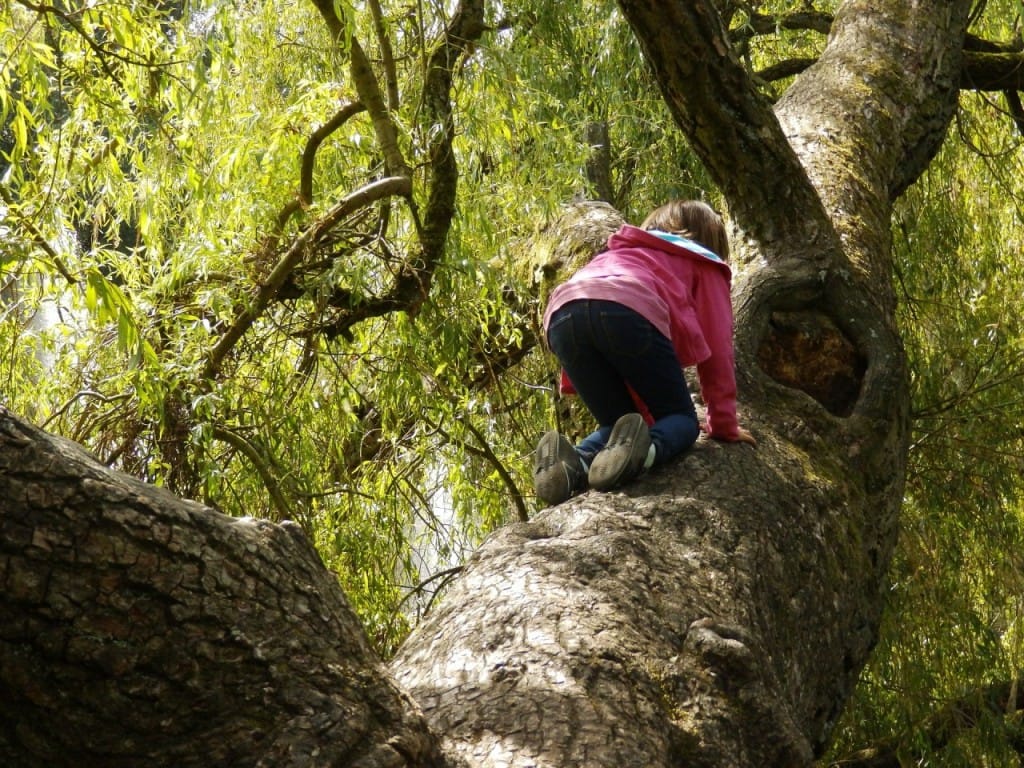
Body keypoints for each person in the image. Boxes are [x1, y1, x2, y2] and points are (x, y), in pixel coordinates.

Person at [533, 199, 756, 506]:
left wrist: (644, 420)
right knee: (681, 419)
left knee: (620, 424)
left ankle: (572, 463)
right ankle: (643, 454)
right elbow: (718, 347)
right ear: (712, 239)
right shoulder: (703, 261)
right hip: (627, 309)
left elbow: (625, 359)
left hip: (562, 314)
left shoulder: (618, 253)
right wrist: (723, 424)